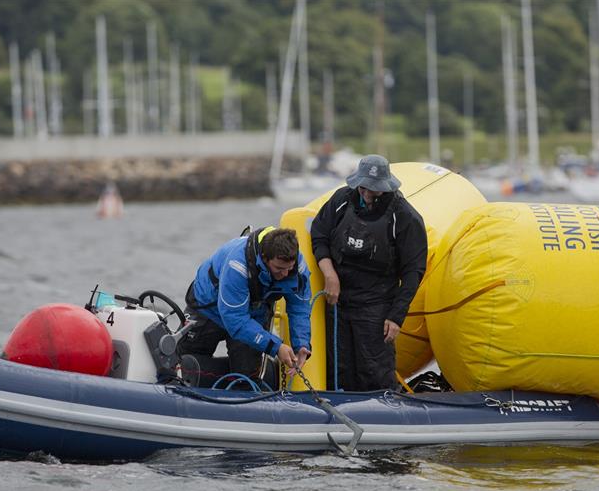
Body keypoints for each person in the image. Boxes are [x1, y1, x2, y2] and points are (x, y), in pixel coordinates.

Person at [311, 154, 427, 391]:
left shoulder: (404, 216)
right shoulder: (341, 200)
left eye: (373, 190)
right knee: (339, 368)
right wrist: (329, 274)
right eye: (363, 188)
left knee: (373, 371)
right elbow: (319, 236)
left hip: (376, 306)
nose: (367, 194)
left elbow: (414, 271)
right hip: (338, 302)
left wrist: (396, 316)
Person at [158, 227, 312, 387]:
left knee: (247, 380)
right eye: (279, 269)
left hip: (253, 314)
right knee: (178, 369)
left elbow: (300, 307)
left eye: (289, 268)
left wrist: (301, 344)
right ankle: (191, 373)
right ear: (265, 259)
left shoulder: (297, 268)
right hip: (209, 308)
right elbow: (235, 320)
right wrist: (275, 346)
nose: (285, 274)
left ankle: (257, 377)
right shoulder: (237, 265)